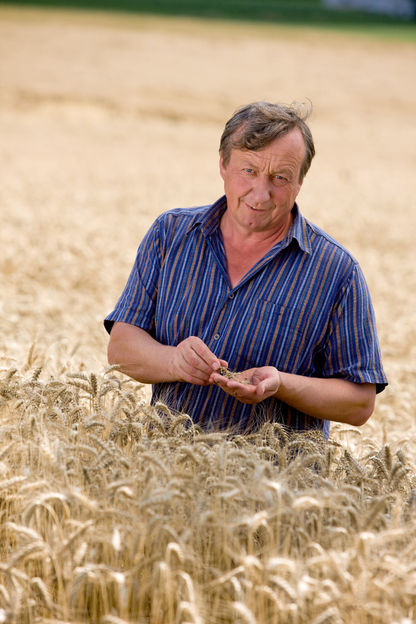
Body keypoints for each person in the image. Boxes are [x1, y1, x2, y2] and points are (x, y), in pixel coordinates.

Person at [105, 101, 387, 440]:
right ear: (223, 165)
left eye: (279, 178)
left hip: (273, 486)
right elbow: (121, 347)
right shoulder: (170, 234)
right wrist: (175, 362)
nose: (261, 193)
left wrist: (281, 384)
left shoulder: (337, 272)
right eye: (249, 171)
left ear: (300, 183)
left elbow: (359, 403)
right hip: (166, 475)